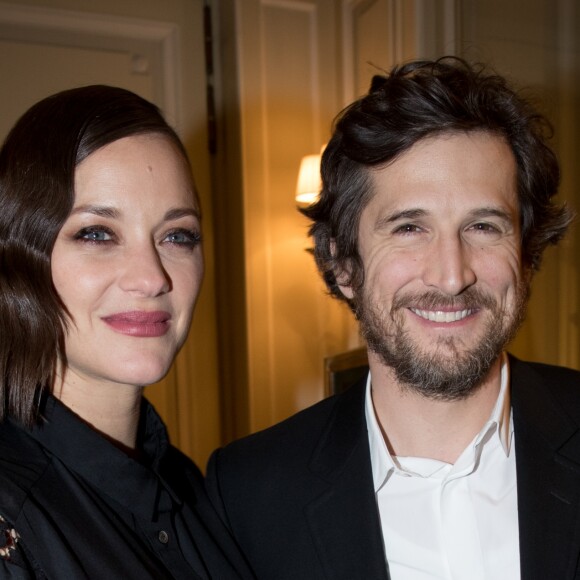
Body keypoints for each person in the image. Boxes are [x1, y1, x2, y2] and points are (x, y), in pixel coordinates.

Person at [205, 57, 580, 579]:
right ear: (343, 265)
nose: (452, 277)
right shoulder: (246, 496)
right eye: (408, 228)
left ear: (526, 253)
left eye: (484, 227)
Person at [0, 86, 253, 579]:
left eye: (176, 235)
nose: (152, 277)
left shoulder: (191, 487)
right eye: (97, 233)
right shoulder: (11, 521)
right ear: (17, 256)